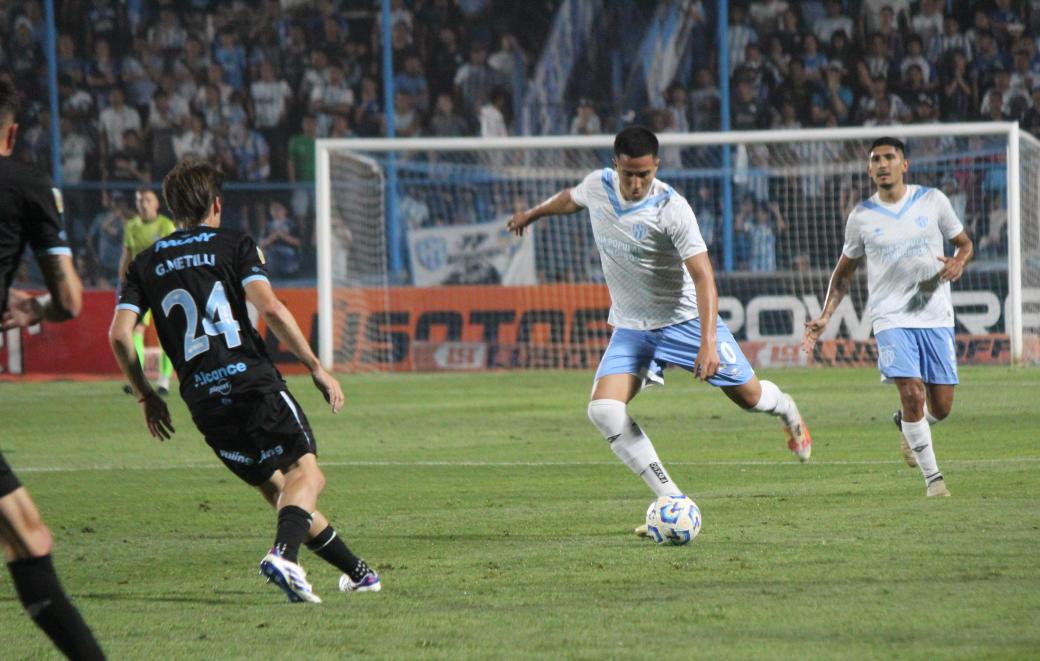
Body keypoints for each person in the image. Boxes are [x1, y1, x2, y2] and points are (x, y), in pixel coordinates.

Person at [506, 127, 811, 536]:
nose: (635, 184)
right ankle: (671, 497)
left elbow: (704, 277)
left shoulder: (672, 208)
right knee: (603, 410)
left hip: (684, 321)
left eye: (644, 175)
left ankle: (787, 409)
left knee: (750, 398)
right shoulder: (598, 186)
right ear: (615, 163)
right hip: (633, 327)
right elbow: (570, 198)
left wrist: (707, 343)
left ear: (657, 168)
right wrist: (532, 214)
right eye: (629, 174)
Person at [108, 158, 380, 602]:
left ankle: (360, 573)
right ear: (217, 205)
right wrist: (315, 366)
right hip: (250, 382)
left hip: (203, 401)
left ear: (172, 209)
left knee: (282, 493)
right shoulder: (234, 244)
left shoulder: (145, 263)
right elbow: (270, 308)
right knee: (306, 474)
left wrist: (145, 395)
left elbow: (119, 335)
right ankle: (283, 555)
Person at [803, 137, 973, 497]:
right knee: (912, 392)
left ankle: (908, 426)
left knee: (940, 407)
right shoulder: (862, 216)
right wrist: (825, 315)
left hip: (934, 314)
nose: (882, 164)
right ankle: (934, 482)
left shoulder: (932, 200)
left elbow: (965, 243)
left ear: (904, 164)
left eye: (889, 157)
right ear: (869, 170)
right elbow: (844, 271)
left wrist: (959, 261)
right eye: (875, 159)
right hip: (890, 317)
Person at [0, 77, 106, 659]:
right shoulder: (26, 184)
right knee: (30, 538)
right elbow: (68, 299)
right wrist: (30, 306)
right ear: (11, 132)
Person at [118, 188, 177, 396]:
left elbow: (173, 256)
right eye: (141, 200)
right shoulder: (131, 226)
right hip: (139, 285)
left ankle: (164, 381)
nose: (143, 203)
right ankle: (138, 379)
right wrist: (122, 280)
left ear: (157, 204)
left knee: (166, 333)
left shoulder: (166, 225)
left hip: (162, 285)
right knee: (136, 330)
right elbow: (127, 255)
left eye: (148, 200)